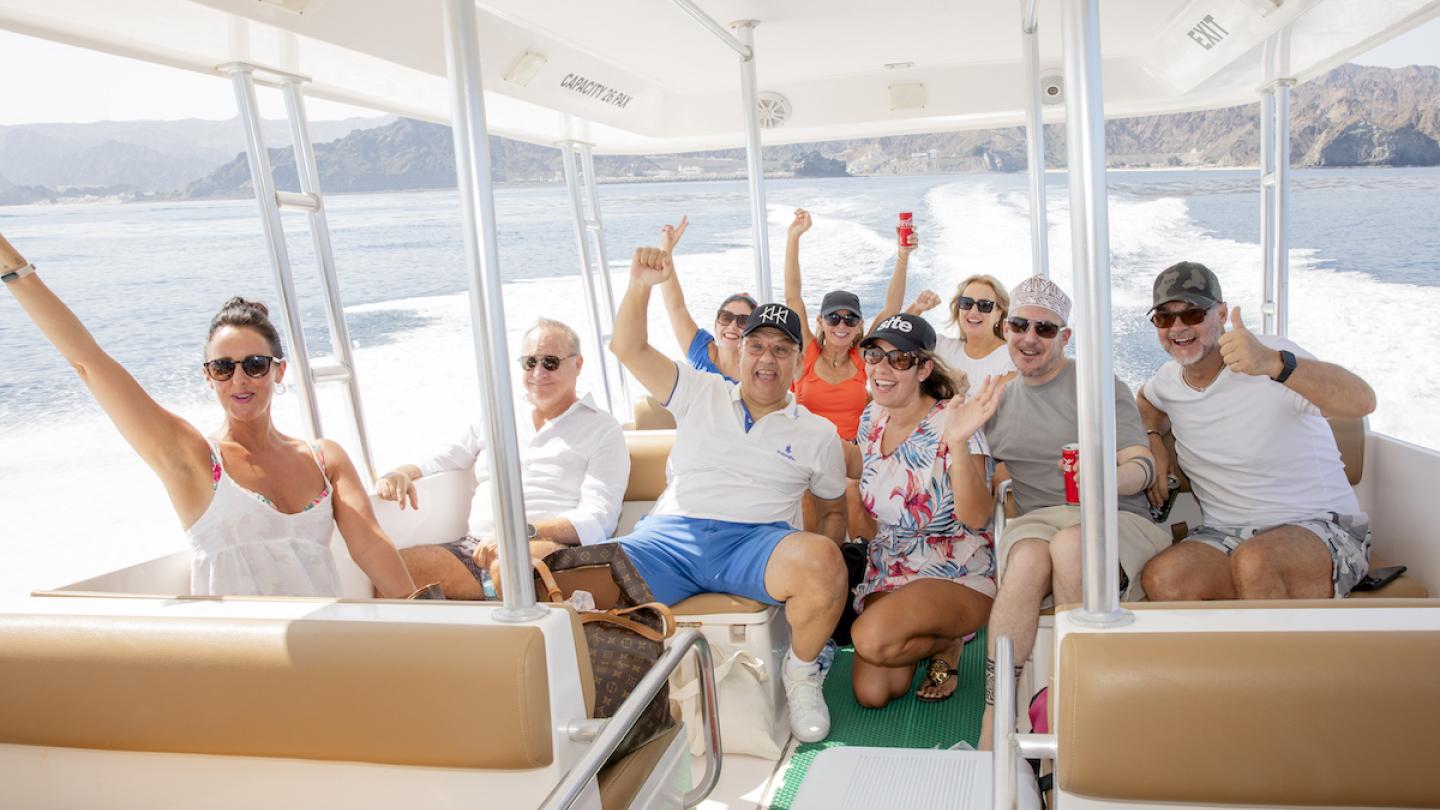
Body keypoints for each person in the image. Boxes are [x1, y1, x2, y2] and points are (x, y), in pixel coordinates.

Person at [0, 232, 415, 598]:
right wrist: (14, 269)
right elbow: (88, 363)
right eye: (223, 368)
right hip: (237, 668)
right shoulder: (193, 459)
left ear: (279, 370)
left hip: (322, 655)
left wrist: (424, 618)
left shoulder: (326, 459)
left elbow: (370, 545)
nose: (239, 379)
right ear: (209, 377)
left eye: (254, 364)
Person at [609, 245, 849, 743]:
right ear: (738, 351)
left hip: (756, 545)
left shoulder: (818, 433)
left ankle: (802, 673)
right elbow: (629, 348)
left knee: (824, 561)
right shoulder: (698, 389)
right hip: (670, 539)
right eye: (757, 345)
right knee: (576, 581)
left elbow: (831, 510)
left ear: (798, 361)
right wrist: (639, 287)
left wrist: (828, 583)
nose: (767, 358)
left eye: (781, 349)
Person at [976, 275, 1169, 750]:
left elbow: (1142, 466)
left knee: (1070, 546)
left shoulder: (1098, 385)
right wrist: (961, 439)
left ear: (1064, 338)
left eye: (1045, 330)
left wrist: (1105, 479)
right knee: (1024, 562)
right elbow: (975, 493)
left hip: (1114, 512)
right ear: (1004, 329)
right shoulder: (994, 400)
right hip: (1039, 517)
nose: (1029, 338)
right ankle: (995, 716)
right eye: (1020, 325)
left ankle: (1070, 706)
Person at [1136, 262, 1377, 600]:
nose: (1178, 328)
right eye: (1164, 318)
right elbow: (1147, 401)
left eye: (1192, 314)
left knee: (1258, 562)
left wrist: (1275, 364)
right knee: (1165, 579)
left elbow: (1362, 401)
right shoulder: (1167, 381)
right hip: (1225, 533)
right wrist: (1152, 439)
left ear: (1220, 314)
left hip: (1322, 526)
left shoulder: (1270, 357)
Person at [375, 318, 630, 599]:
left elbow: (598, 517)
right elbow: (444, 457)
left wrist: (521, 532)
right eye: (530, 362)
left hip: (549, 547)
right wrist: (403, 472)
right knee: (390, 573)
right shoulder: (497, 415)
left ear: (577, 364)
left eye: (550, 363)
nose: (538, 372)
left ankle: (501, 613)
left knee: (511, 570)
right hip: (475, 547)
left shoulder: (603, 430)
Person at [848, 313, 1005, 707]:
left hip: (955, 573)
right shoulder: (870, 418)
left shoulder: (954, 421)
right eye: (874, 355)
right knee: (874, 692)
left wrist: (956, 441)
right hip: (891, 568)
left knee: (869, 637)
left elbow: (976, 516)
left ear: (923, 369)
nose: (882, 368)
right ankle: (941, 642)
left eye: (899, 359)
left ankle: (951, 641)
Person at [654, 216, 757, 382]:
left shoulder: (760, 371)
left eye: (743, 321)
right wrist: (666, 251)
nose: (732, 326)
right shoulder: (699, 349)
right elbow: (676, 307)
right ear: (716, 323)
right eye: (726, 317)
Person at [910, 273, 1017, 386]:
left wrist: (958, 392)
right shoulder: (942, 347)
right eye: (966, 303)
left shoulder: (1011, 358)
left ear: (999, 314)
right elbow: (893, 340)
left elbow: (995, 403)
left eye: (984, 305)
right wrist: (916, 308)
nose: (973, 311)